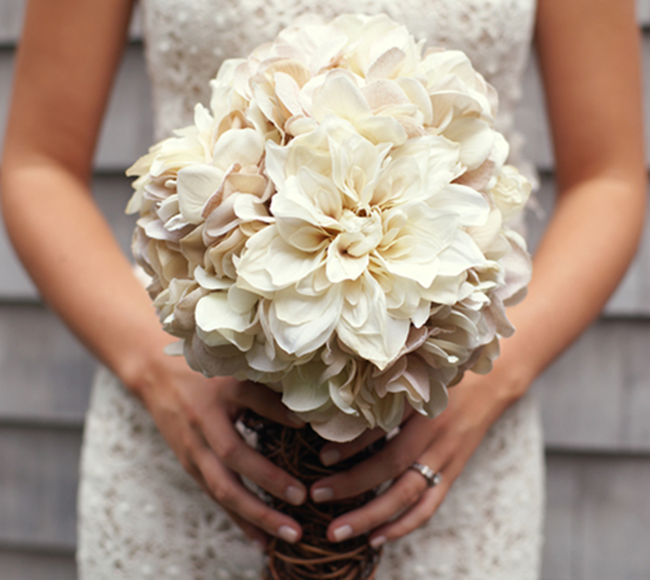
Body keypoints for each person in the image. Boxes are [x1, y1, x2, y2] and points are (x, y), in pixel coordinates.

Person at [1, 0, 645, 578]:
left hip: (447, 441)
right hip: (182, 431)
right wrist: (159, 369)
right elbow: (39, 163)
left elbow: (608, 176)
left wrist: (487, 379)